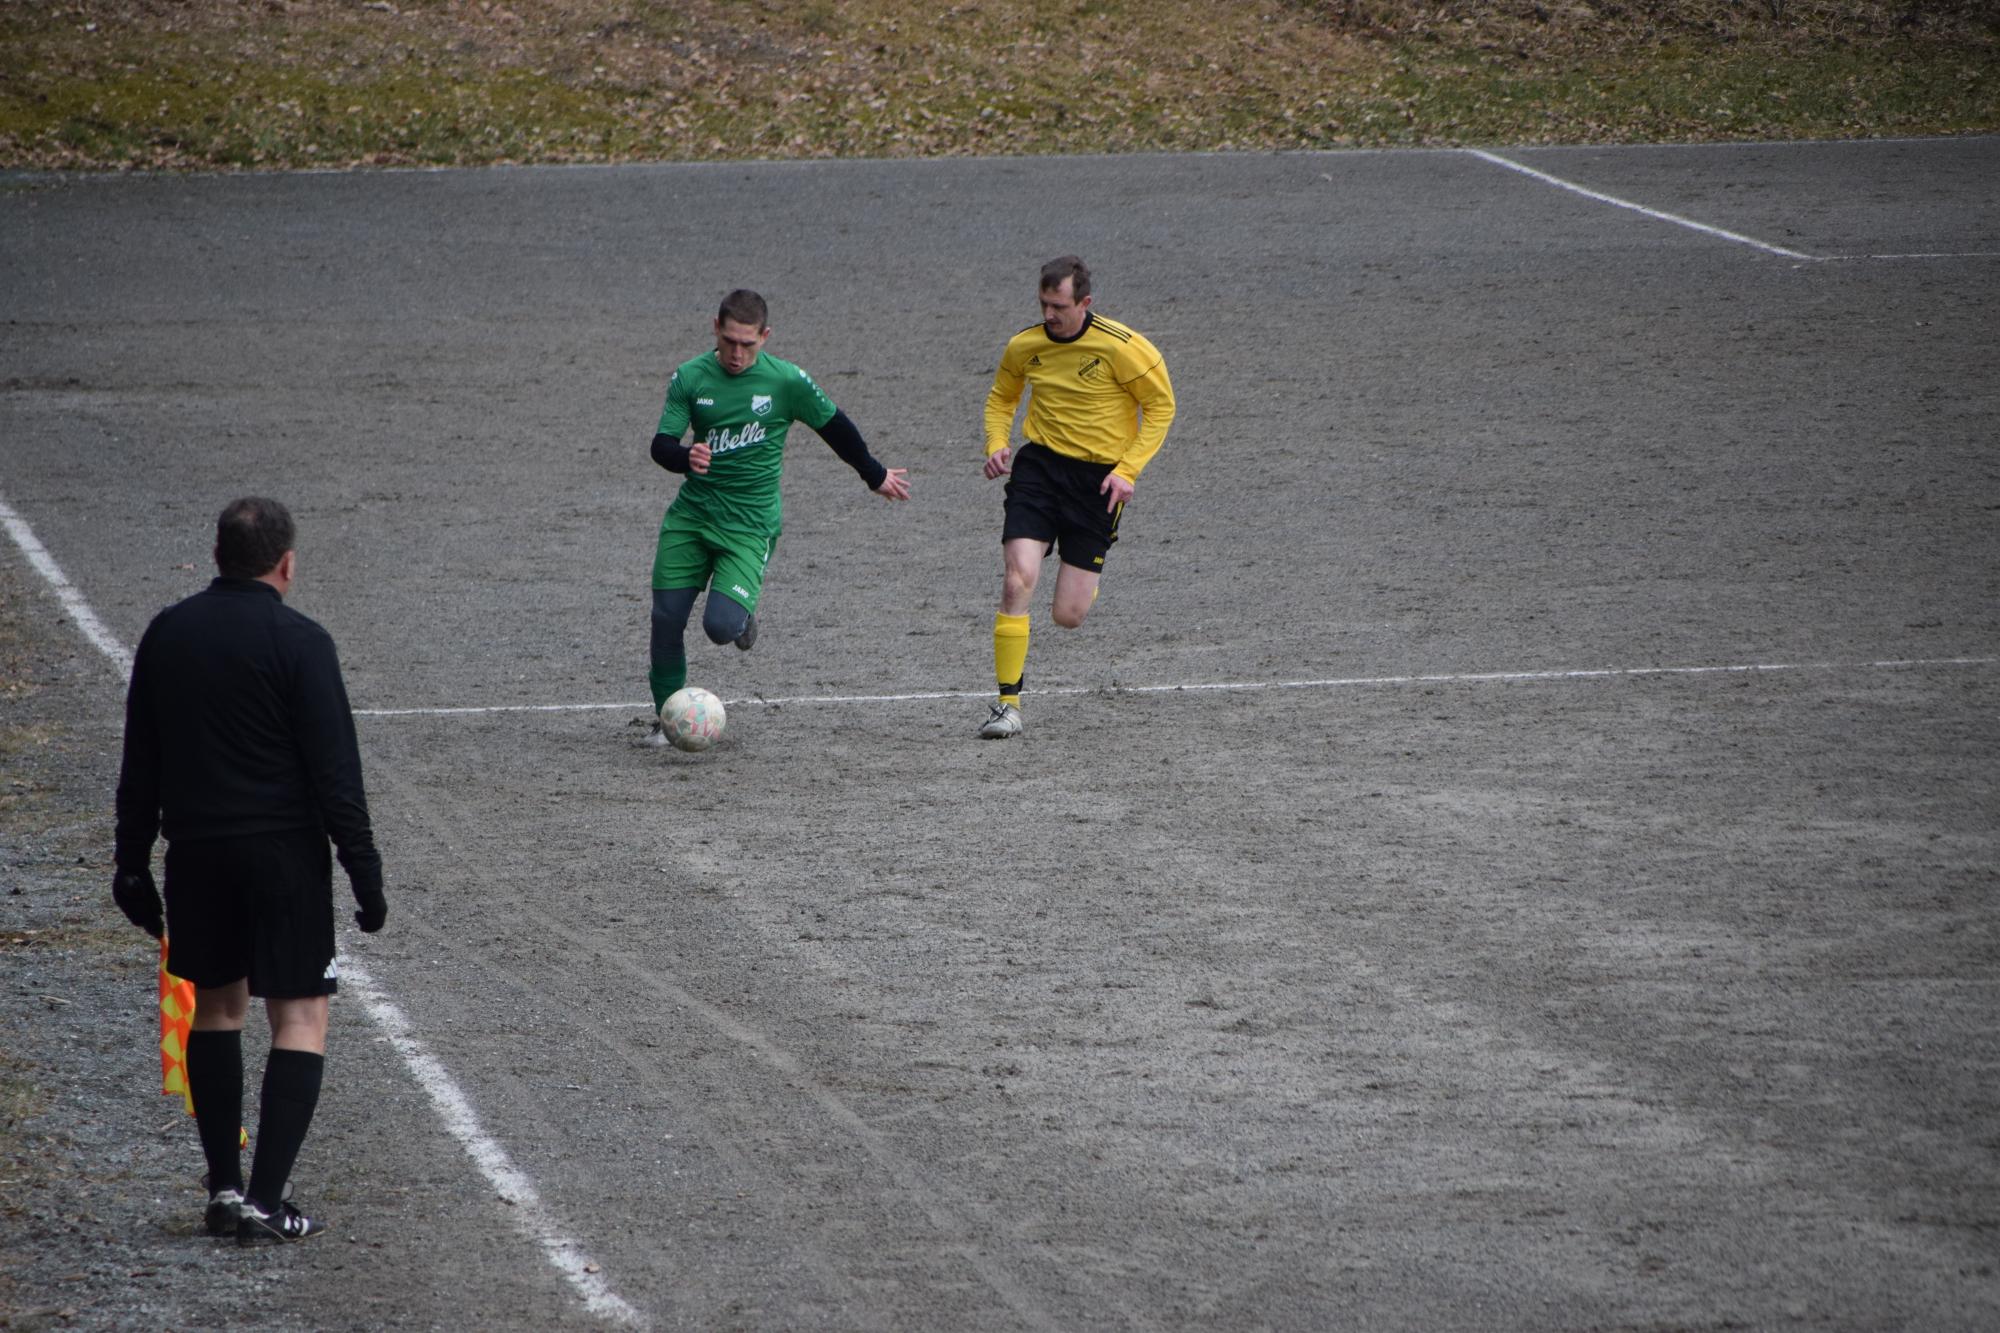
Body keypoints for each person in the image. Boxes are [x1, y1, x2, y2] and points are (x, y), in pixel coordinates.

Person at [112, 497, 387, 1245]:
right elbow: (337, 774)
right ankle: (267, 1200)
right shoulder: (302, 642)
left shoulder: (168, 634)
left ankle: (225, 1190)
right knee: (300, 1016)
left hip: (197, 852)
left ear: (217, 555)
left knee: (216, 1009)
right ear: (286, 564)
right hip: (282, 856)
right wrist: (364, 872)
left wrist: (130, 862)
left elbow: (142, 758)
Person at [642, 288, 911, 739]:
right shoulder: (689, 377)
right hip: (692, 518)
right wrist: (685, 456)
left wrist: (874, 474)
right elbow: (661, 444)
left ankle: (743, 618)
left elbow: (836, 427)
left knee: (719, 627)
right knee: (666, 618)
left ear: (765, 336)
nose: (736, 353)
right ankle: (665, 719)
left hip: (749, 526)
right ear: (715, 329)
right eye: (729, 341)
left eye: (748, 343)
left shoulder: (786, 382)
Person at [977, 256, 1176, 738]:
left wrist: (1128, 471)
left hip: (1099, 482)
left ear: (1085, 302)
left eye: (1059, 306)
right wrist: (997, 442)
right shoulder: (1025, 345)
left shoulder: (1123, 348)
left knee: (1068, 615)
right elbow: (1003, 396)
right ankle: (1008, 704)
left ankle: (1086, 572)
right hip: (1040, 470)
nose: (1049, 314)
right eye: (1044, 304)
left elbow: (1161, 406)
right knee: (1017, 579)